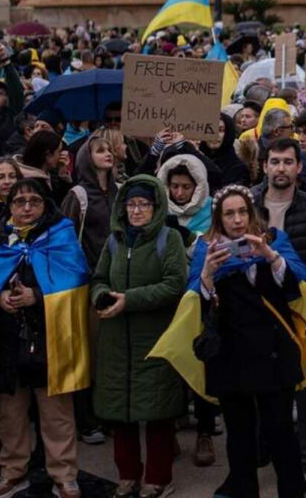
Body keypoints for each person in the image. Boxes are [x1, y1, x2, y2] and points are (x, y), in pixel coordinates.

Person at [0, 178, 91, 498]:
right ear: (9, 206)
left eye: (34, 201)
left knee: (56, 413)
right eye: (19, 201)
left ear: (46, 205)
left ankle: (64, 473)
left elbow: (75, 280)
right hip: (6, 340)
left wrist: (38, 296)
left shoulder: (61, 235)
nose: (26, 207)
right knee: (10, 413)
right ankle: (13, 469)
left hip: (49, 340)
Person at [189, 184, 306, 498]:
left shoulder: (273, 239)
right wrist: (206, 275)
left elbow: (299, 283)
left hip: (274, 354)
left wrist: (270, 257)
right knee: (239, 438)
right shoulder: (206, 249)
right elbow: (193, 303)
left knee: (281, 433)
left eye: (242, 211)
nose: (237, 219)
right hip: (230, 355)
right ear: (219, 218)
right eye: (229, 213)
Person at [252, 137, 306, 497]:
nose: (281, 168)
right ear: (265, 166)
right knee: (263, 394)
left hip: (303, 314)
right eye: (274, 162)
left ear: (299, 167)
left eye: (288, 162)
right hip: (257, 315)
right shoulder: (248, 205)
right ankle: (268, 456)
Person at [92, 176, 188, 498]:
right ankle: (127, 475)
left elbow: (174, 284)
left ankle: (158, 477)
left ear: (156, 206)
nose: (136, 211)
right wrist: (101, 295)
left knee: (157, 412)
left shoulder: (168, 238)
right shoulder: (115, 241)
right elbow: (99, 278)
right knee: (122, 412)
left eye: (143, 204)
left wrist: (129, 300)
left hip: (155, 339)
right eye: (131, 204)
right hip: (117, 341)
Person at [62, 132, 119, 271]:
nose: (108, 154)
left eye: (109, 150)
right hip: (88, 269)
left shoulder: (119, 191)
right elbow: (67, 237)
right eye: (100, 151)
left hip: (116, 269)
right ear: (87, 158)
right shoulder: (77, 194)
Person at [157, 153, 213, 239]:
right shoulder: (158, 209)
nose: (180, 193)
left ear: (198, 187)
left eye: (186, 187)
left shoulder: (213, 209)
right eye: (175, 186)